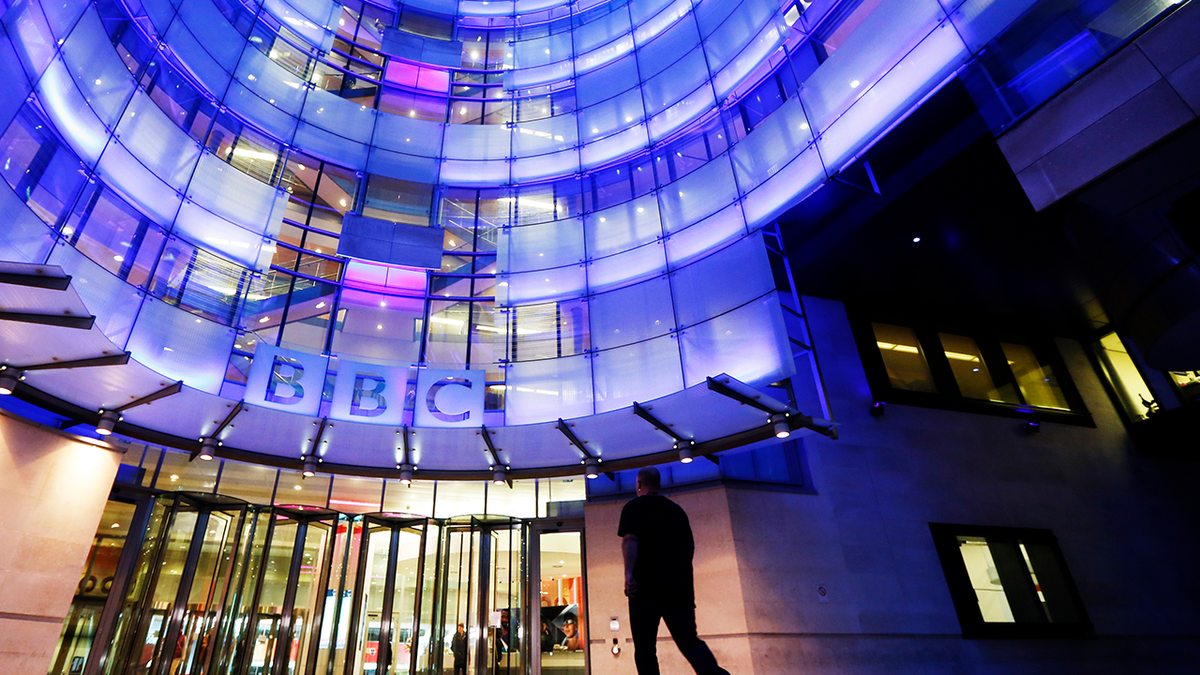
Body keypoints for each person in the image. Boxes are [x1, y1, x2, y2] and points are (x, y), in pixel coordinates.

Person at [619, 467, 731, 675]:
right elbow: (689, 548)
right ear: (659, 484)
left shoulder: (633, 508)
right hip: (678, 589)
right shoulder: (676, 510)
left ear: (639, 485)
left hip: (645, 588)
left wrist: (628, 574)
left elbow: (630, 540)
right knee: (689, 641)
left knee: (645, 647)